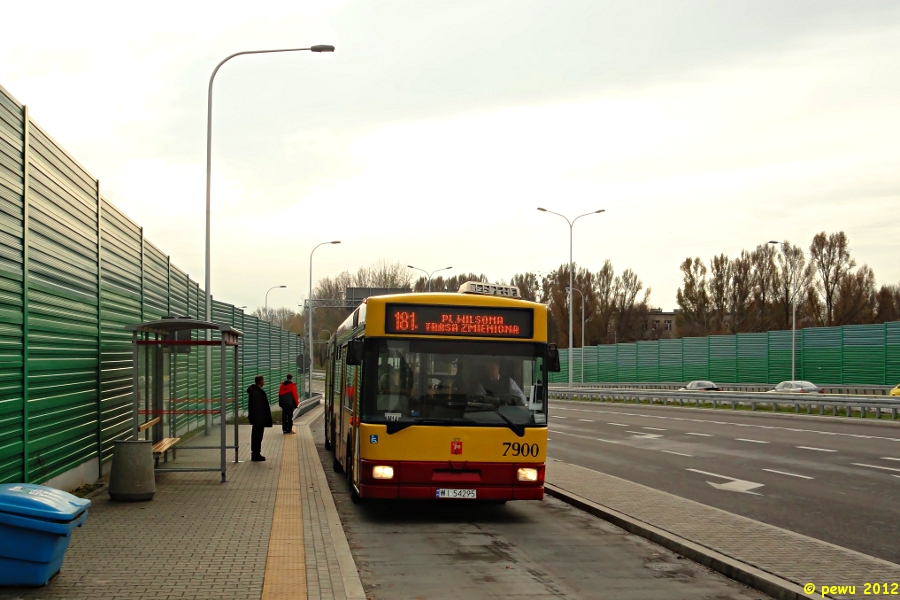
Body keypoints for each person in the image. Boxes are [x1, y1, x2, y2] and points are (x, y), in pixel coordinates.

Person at [247, 375, 273, 461]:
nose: (264, 381)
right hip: (258, 418)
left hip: (257, 418)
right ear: (261, 381)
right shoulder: (257, 393)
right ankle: (255, 454)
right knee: (257, 436)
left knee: (257, 436)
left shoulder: (255, 392)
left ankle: (256, 453)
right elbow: (259, 406)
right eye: (263, 380)